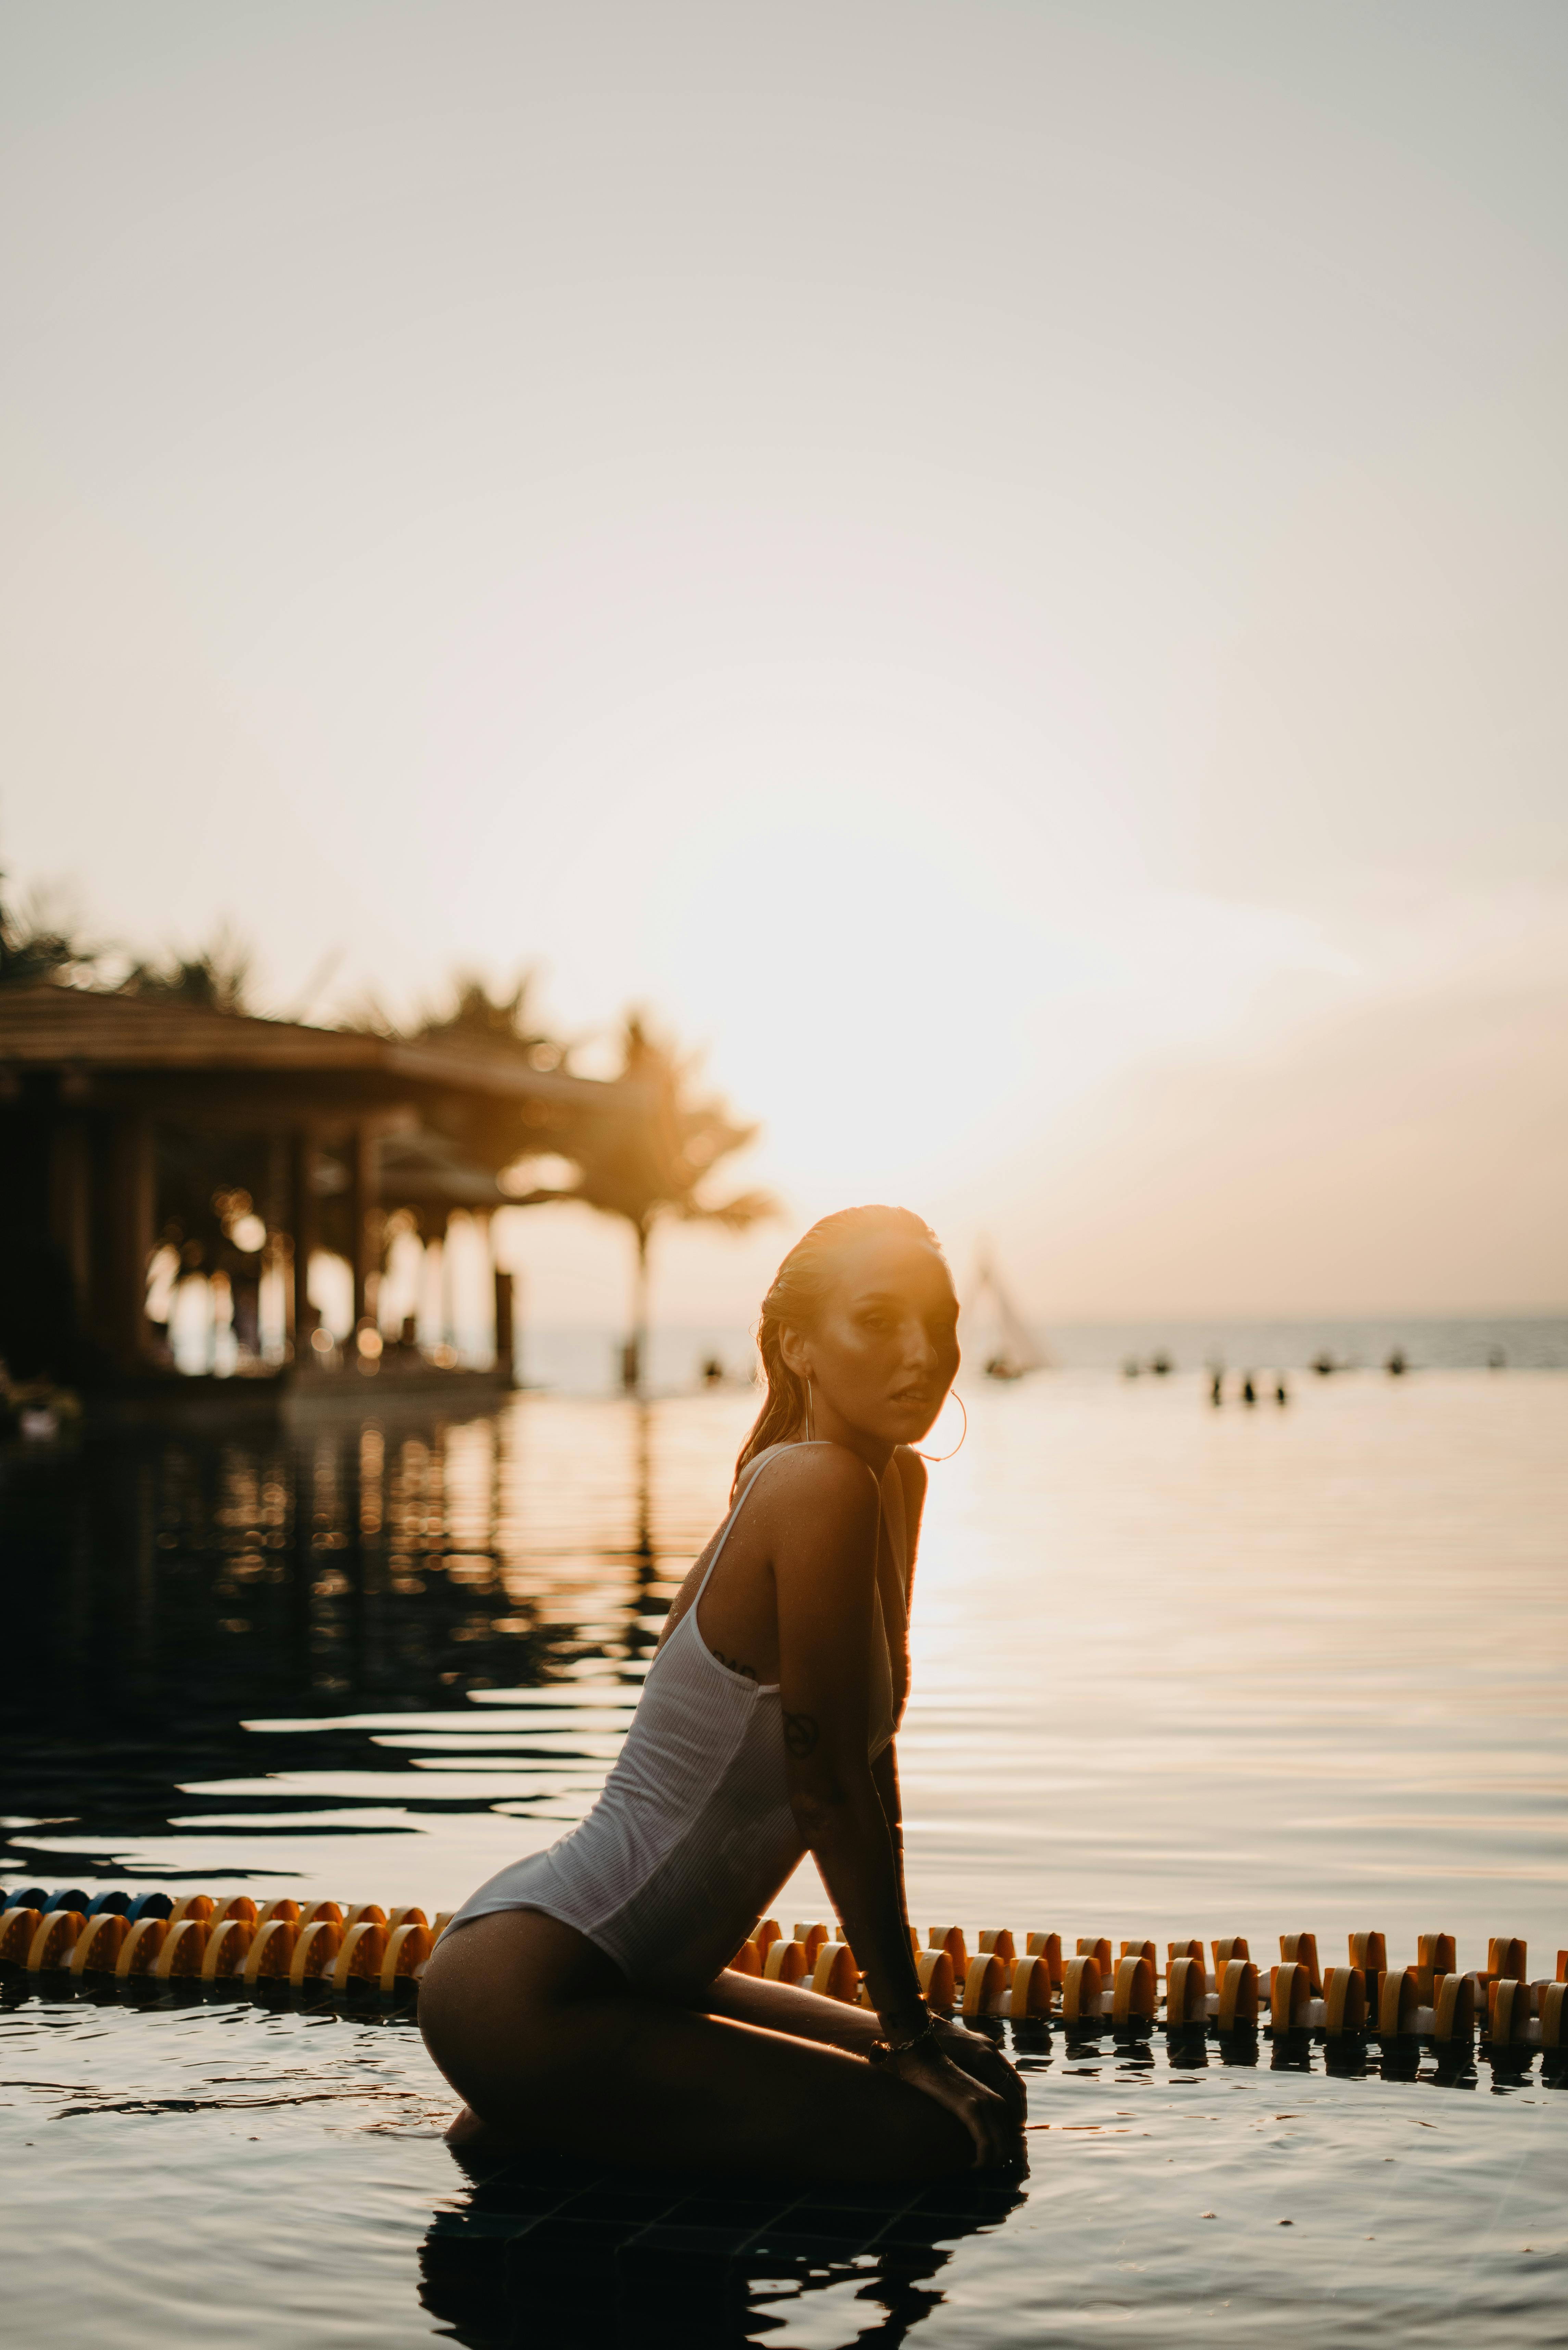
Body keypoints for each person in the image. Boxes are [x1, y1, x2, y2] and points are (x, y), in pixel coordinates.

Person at [419, 1205, 1024, 2181]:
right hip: (535, 1983)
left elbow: (868, 1771)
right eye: (877, 1321)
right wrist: (904, 2043)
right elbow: (825, 1790)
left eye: (940, 1322)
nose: (924, 1354)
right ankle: (538, 2096)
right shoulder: (815, 1485)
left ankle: (547, 2120)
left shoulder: (889, 1485)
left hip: (643, 1981)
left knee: (985, 2082)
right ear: (798, 1347)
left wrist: (913, 2023)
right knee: (936, 2143)